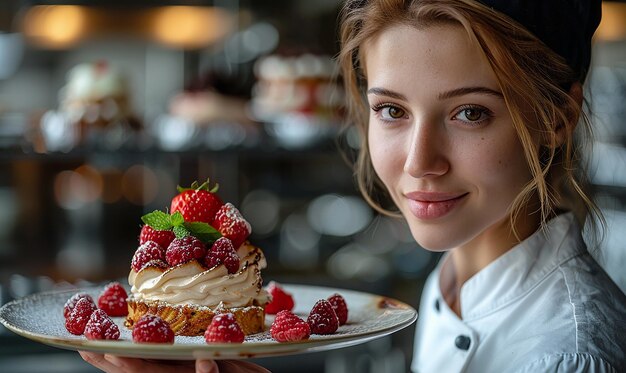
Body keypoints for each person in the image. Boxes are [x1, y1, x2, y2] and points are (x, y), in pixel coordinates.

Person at [81, 0, 626, 372]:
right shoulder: (453, 278)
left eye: (469, 113)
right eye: (392, 110)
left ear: (557, 116)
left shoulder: (566, 355)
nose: (420, 162)